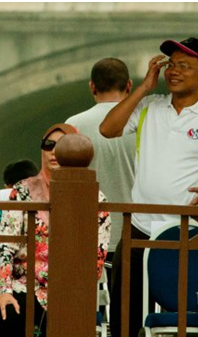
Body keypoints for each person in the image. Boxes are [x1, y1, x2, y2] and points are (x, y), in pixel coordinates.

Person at [99, 37, 198, 337]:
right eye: (171, 65)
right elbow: (108, 129)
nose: (174, 72)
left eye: (185, 66)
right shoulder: (149, 106)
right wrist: (142, 88)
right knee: (125, 308)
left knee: (186, 313)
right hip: (140, 226)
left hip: (188, 230)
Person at [0, 123, 111, 337]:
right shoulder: (22, 191)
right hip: (22, 283)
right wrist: (3, 291)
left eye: (63, 145)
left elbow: (94, 260)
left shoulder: (95, 199)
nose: (54, 151)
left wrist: (71, 292)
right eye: (49, 145)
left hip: (67, 287)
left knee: (67, 333)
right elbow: (4, 248)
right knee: (5, 316)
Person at [65, 57, 136, 268]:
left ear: (92, 86)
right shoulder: (144, 121)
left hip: (88, 231)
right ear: (129, 85)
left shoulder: (73, 125)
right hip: (137, 230)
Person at [0, 159, 38, 228]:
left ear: (8, 185)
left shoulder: (2, 194)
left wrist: (7, 216)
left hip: (12, 234)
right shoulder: (42, 193)